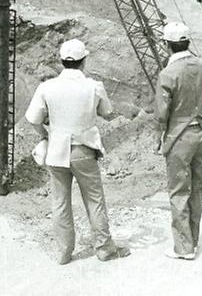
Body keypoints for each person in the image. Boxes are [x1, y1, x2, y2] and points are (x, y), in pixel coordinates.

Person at [25, 39, 130, 265]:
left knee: (60, 201)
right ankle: (104, 248)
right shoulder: (94, 86)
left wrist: (45, 135)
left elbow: (32, 118)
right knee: (94, 199)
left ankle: (64, 253)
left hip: (56, 151)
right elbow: (106, 112)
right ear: (84, 61)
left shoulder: (46, 87)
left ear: (62, 61)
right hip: (83, 150)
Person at [156, 22, 202, 260]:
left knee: (179, 191)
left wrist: (158, 135)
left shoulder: (168, 73)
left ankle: (184, 248)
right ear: (187, 42)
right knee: (196, 188)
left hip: (179, 137)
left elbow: (162, 113)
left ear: (166, 45)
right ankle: (194, 238)